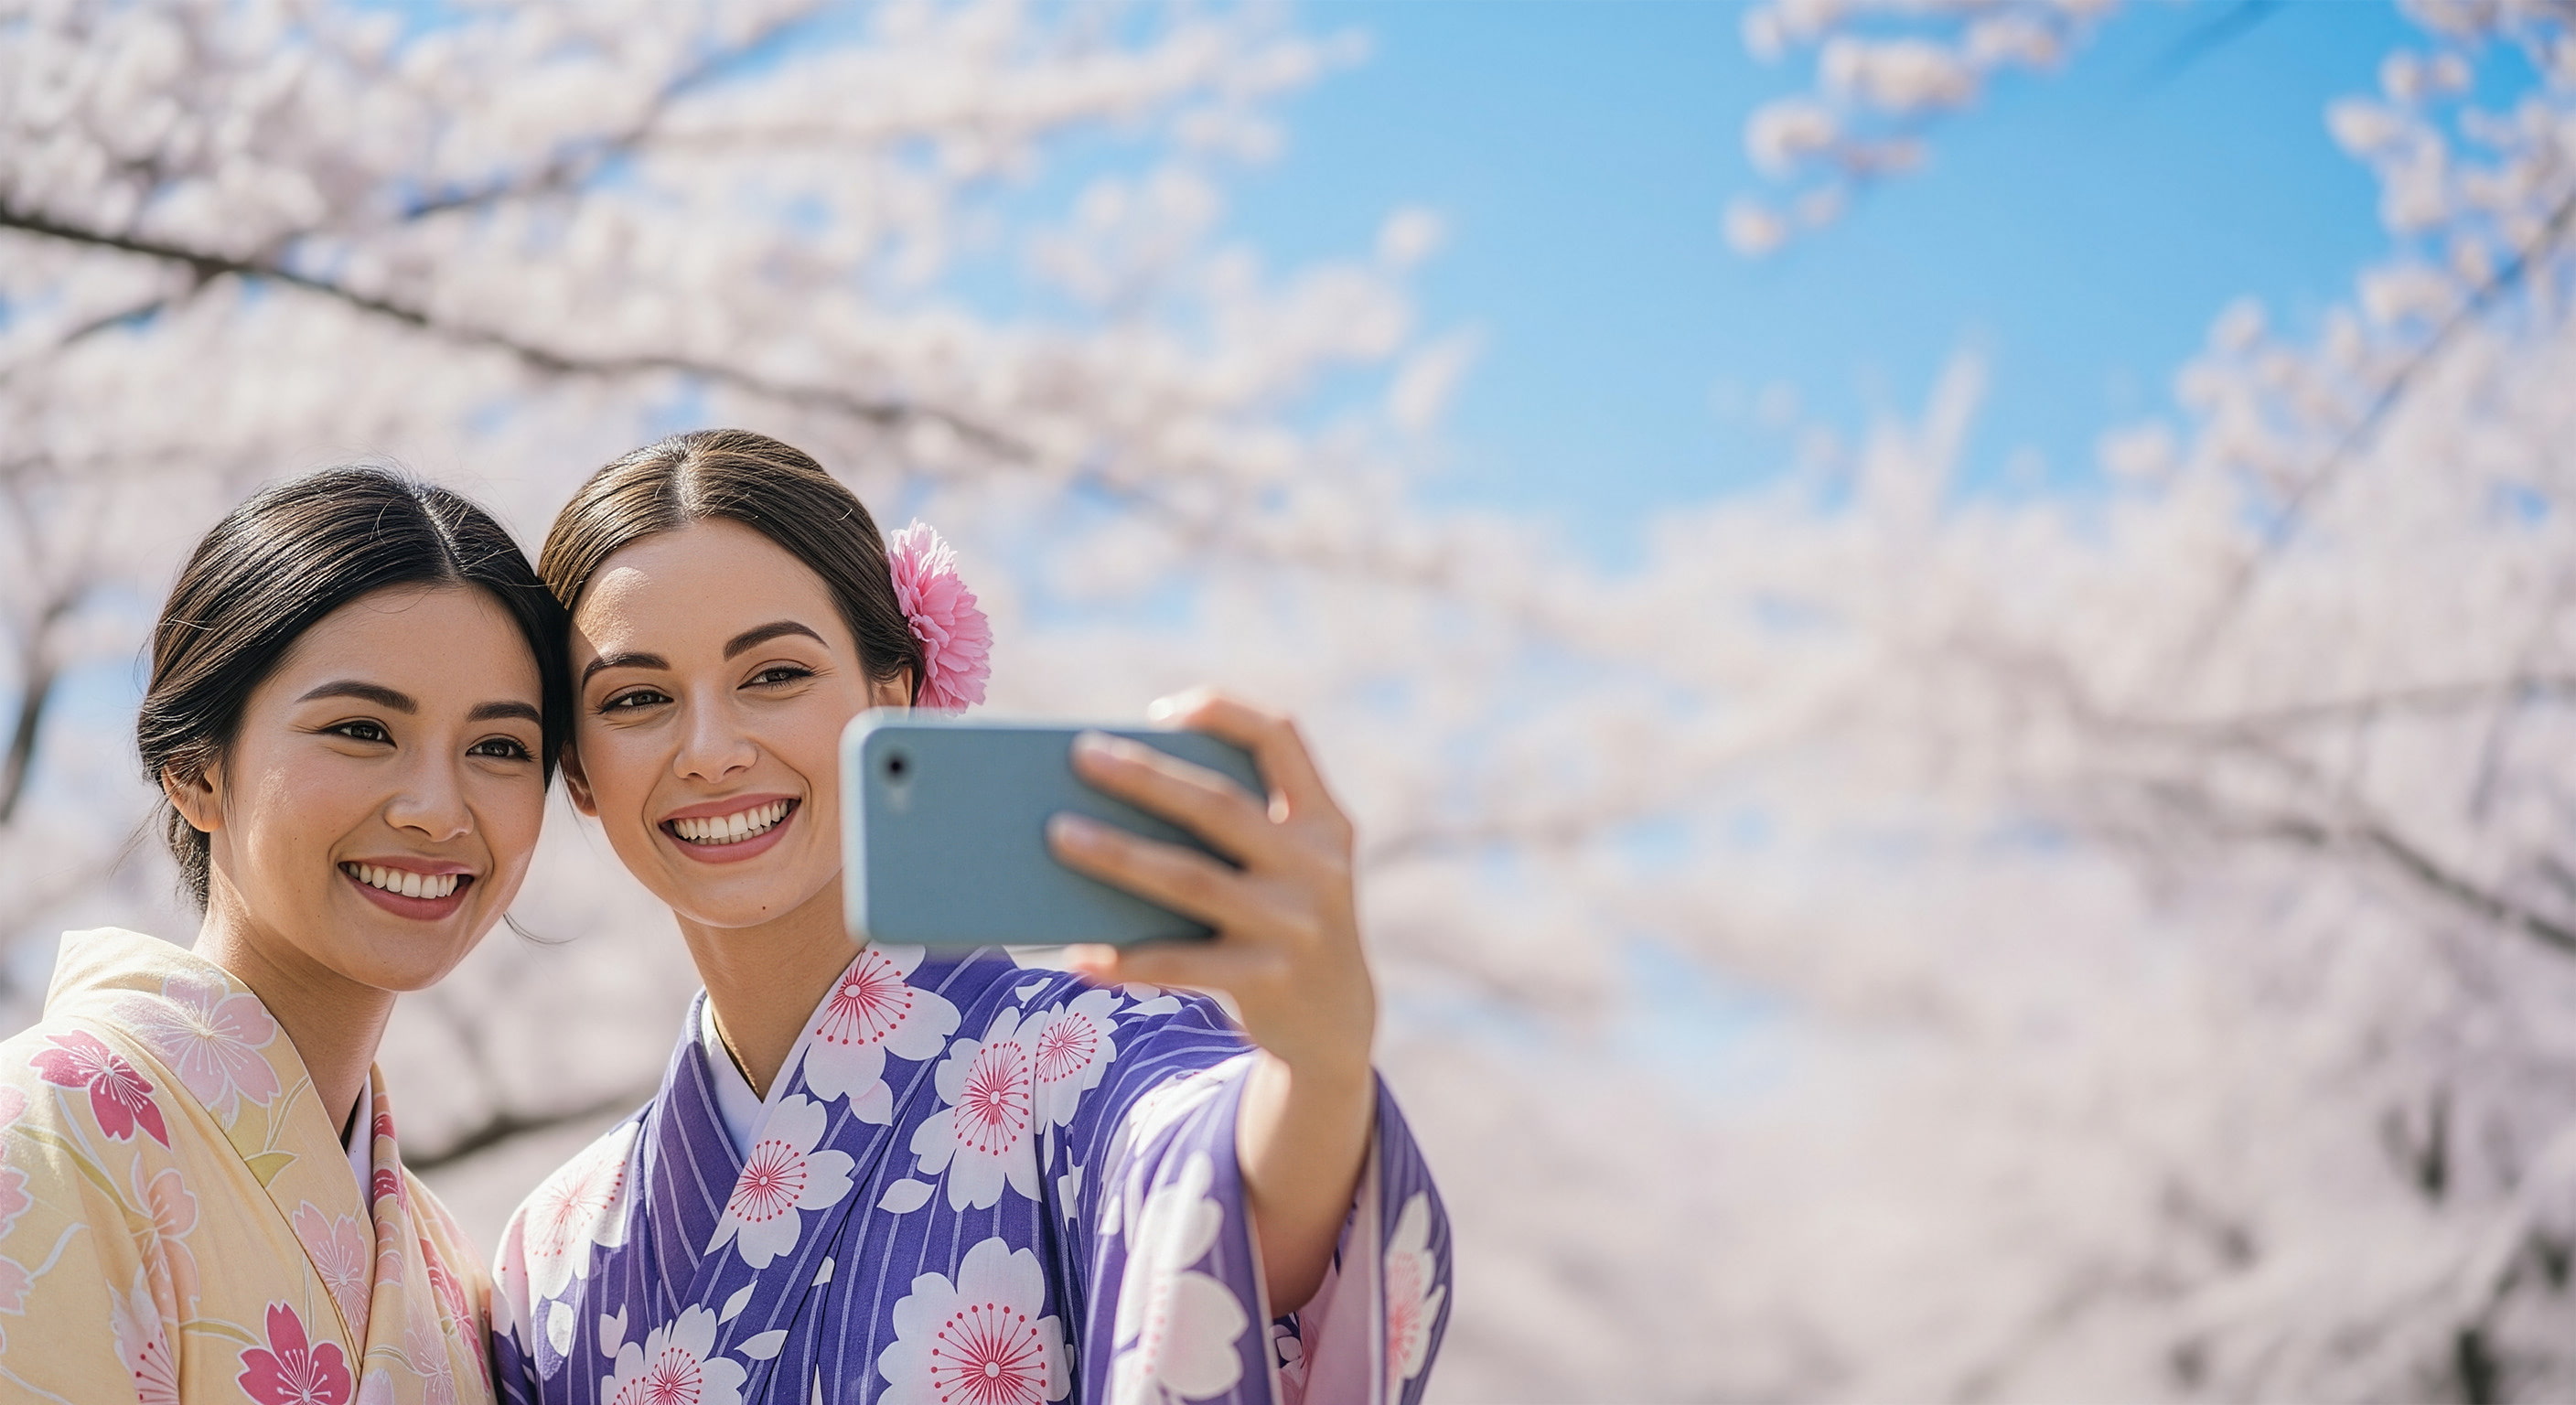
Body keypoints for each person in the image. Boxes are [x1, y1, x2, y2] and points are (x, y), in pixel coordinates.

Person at [490, 428, 1450, 1405]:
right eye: (637, 697)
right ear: (577, 770)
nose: (709, 750)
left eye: (773, 675)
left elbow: (1222, 1208)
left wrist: (1319, 1071)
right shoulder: (553, 1249)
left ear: (891, 696)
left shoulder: (1087, 1054)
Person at [0, 467, 572, 1403]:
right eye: (361, 729)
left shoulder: (445, 1268)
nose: (438, 809)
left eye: (500, 748)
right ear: (194, 771)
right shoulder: (46, 1129)